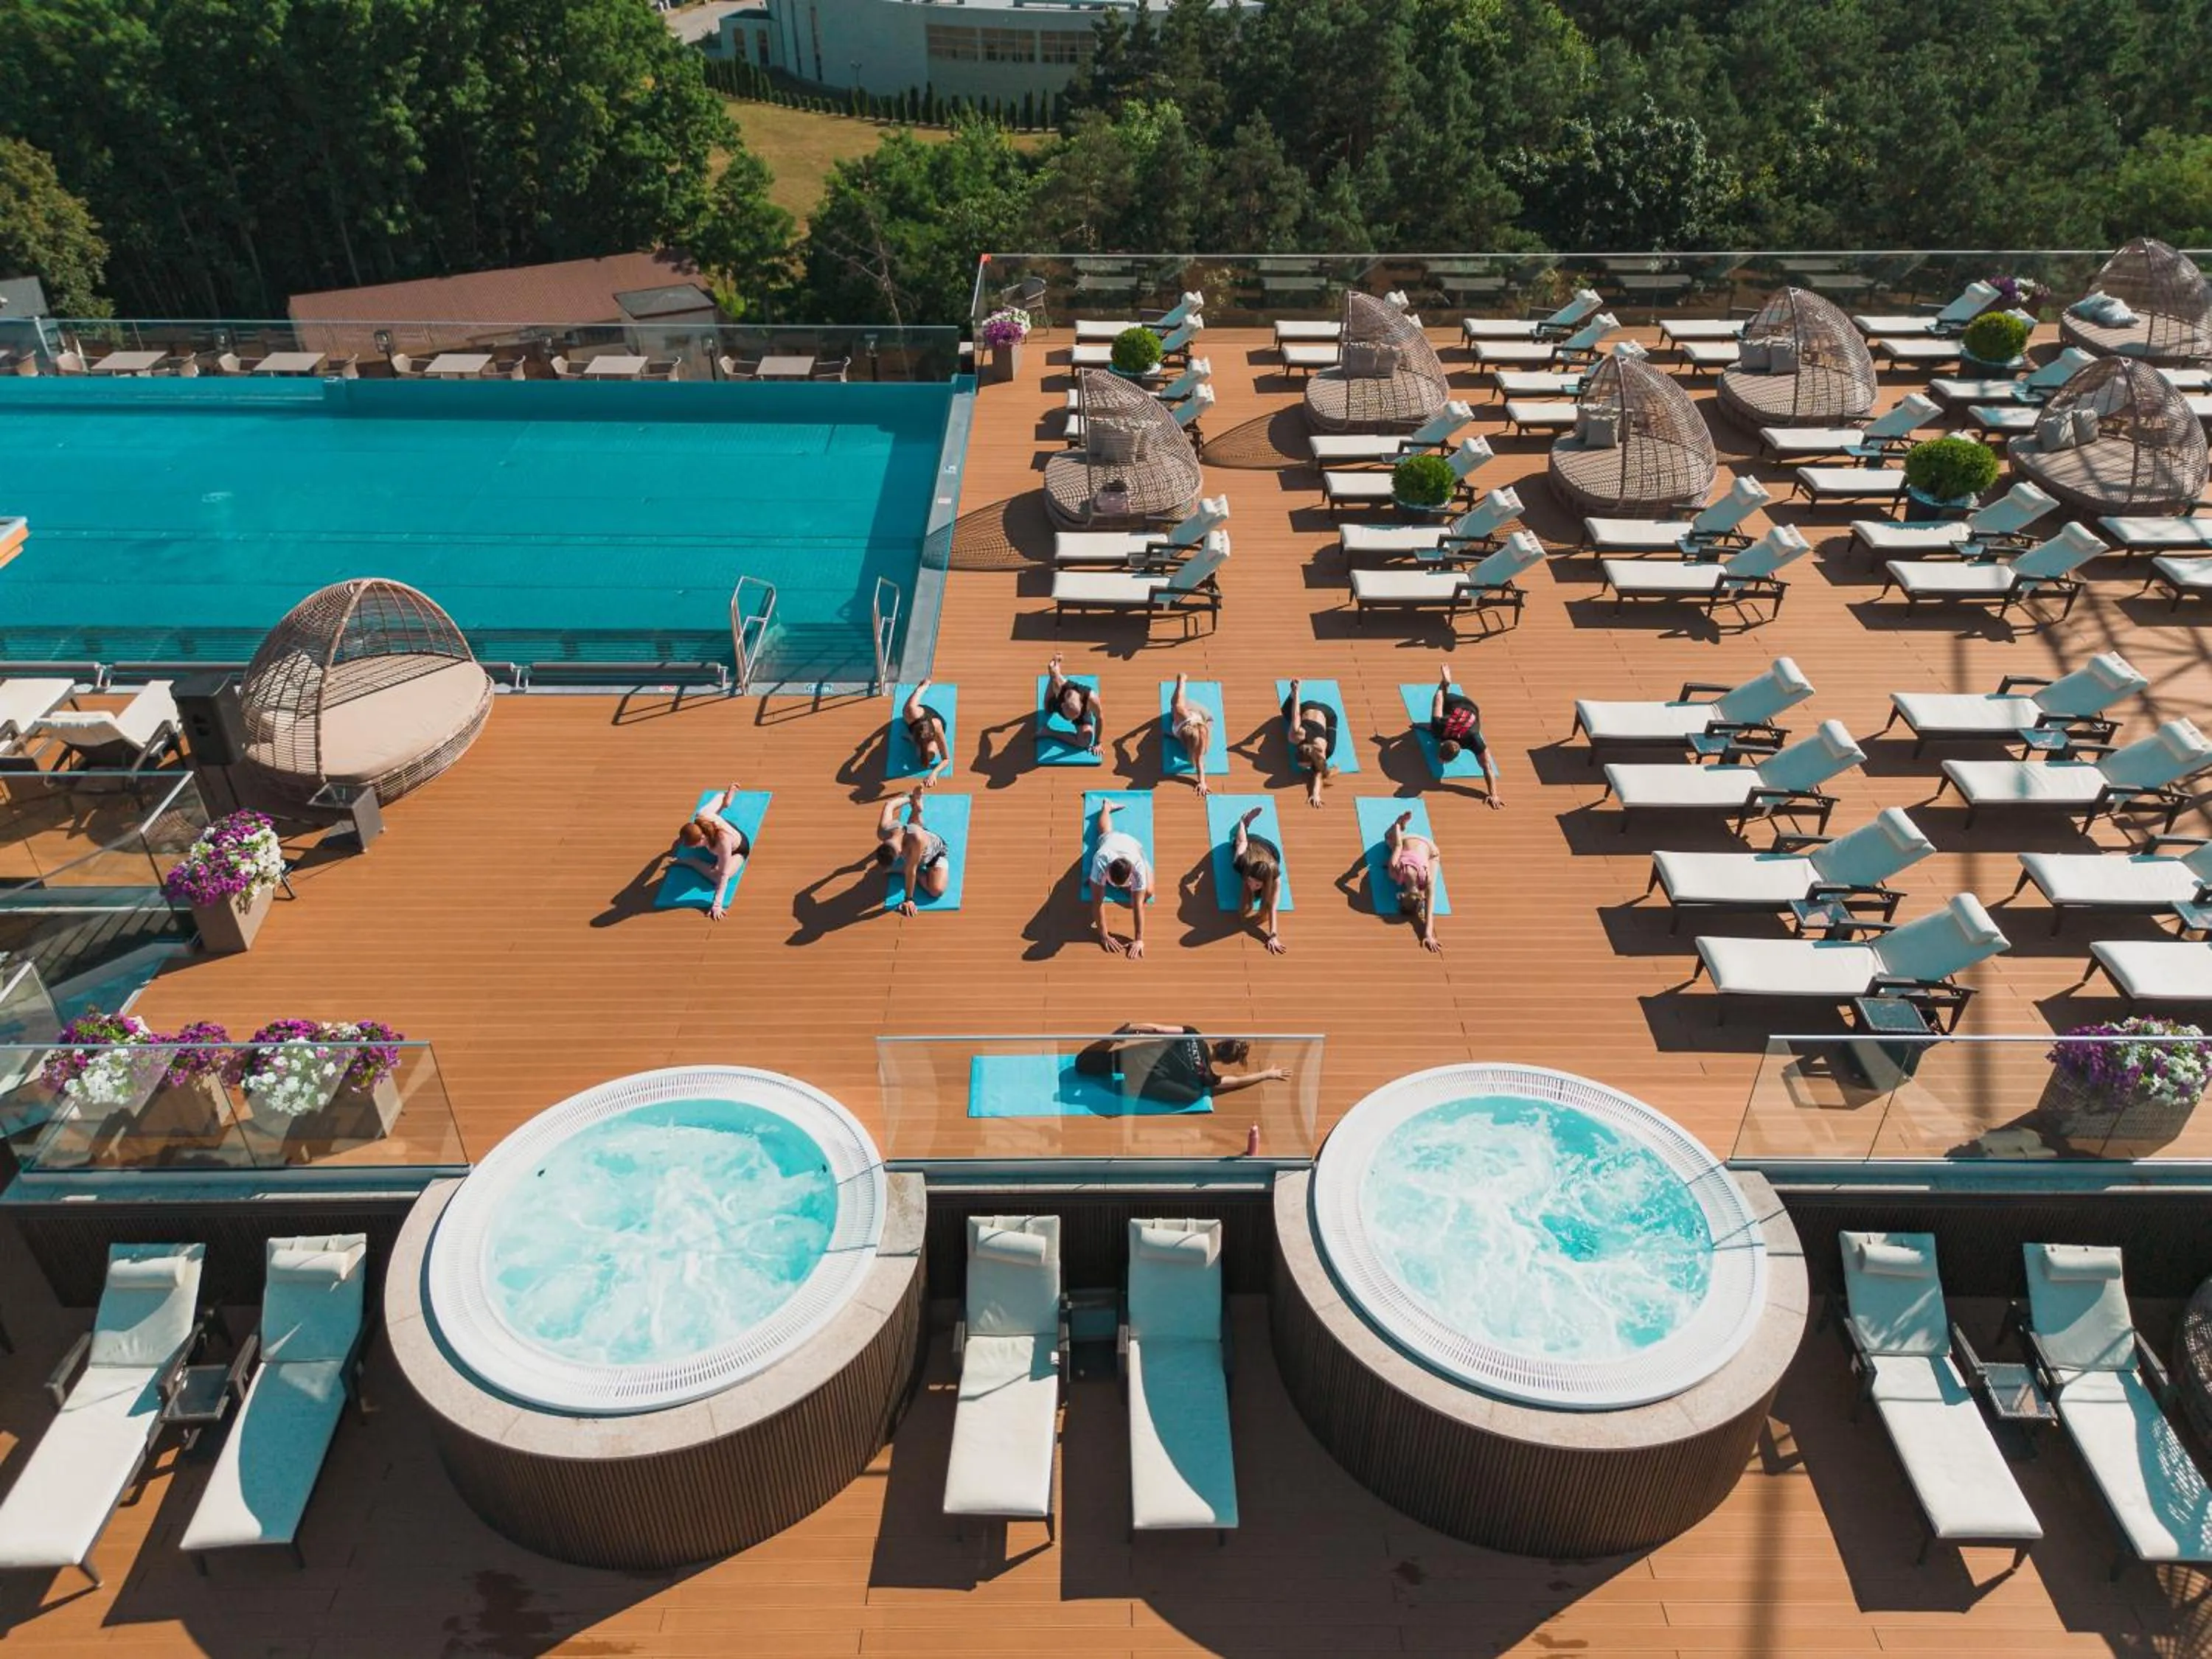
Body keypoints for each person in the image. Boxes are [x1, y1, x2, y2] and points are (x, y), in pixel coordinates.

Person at [1074, 1023, 1287, 1105]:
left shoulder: (1193, 1034)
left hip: (1137, 1057)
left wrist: (1133, 1028)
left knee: (1082, 1064)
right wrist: (1266, 1074)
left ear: (1220, 1043)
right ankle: (1127, 1090)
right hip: (1144, 1081)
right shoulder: (1206, 1077)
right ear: (1226, 1061)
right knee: (1194, 1095)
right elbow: (1237, 1082)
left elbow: (1158, 1030)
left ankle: (1110, 1044)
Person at [1429, 662, 1503, 807]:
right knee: (1437, 714)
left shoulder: (1474, 739)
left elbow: (1488, 765)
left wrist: (1493, 794)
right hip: (1454, 703)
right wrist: (1443, 687)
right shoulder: (1439, 728)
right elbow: (1439, 700)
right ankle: (1446, 686)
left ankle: (1445, 685)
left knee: (1434, 725)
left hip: (1471, 708)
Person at [672, 782, 749, 922]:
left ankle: (692, 863)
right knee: (720, 809)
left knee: (716, 876)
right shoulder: (701, 816)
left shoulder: (722, 842)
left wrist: (717, 905)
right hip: (720, 829)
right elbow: (719, 797)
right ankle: (697, 859)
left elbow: (724, 875)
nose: (691, 848)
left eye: (693, 846)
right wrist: (726, 799)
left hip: (738, 848)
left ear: (701, 840)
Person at [1088, 795, 1154, 958]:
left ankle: (1103, 884)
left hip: (1133, 846)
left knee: (1148, 893)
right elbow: (1097, 904)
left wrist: (1139, 939)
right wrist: (1104, 935)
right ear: (1108, 870)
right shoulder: (1101, 860)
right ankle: (1107, 807)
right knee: (1104, 832)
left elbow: (1138, 906)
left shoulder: (1137, 865)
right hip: (1110, 840)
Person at [874, 787, 949, 916]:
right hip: (912, 830)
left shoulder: (916, 842)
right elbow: (889, 805)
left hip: (934, 853)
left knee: (936, 890)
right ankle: (916, 809)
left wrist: (908, 899)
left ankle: (916, 810)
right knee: (884, 868)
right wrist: (908, 799)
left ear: (899, 853)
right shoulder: (883, 831)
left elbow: (911, 870)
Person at [1385, 809, 1444, 953]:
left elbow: (1429, 913)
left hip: (1430, 846)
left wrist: (1428, 934)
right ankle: (1400, 825)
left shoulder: (1427, 879)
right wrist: (1397, 825)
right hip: (1409, 839)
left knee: (1433, 864)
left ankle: (1401, 826)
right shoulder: (1395, 871)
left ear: (1421, 898)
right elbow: (1399, 845)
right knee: (1388, 838)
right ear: (1400, 895)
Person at [1230, 804, 1286, 954]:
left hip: (1269, 850)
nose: (1252, 886)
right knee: (1236, 840)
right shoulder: (1240, 863)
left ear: (1265, 883)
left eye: (1257, 884)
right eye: (1250, 881)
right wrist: (1242, 823)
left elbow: (1272, 906)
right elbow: (1243, 842)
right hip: (1251, 844)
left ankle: (1244, 824)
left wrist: (1273, 935)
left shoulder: (1274, 876)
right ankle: (1243, 822)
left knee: (1266, 894)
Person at [1282, 677, 1338, 809]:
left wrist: (1315, 794)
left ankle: (1294, 693)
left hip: (1329, 715)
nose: (1306, 769)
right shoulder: (1297, 735)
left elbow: (1318, 773)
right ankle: (1293, 693)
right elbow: (1296, 714)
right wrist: (1296, 692)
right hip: (1311, 708)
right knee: (1286, 713)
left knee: (1289, 719)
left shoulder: (1323, 751)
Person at [1044, 653, 1102, 754]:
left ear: (1081, 705)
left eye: (1074, 717)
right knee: (1047, 709)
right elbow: (1053, 668)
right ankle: (1052, 680)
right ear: (1062, 705)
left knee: (1084, 742)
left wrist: (1097, 742)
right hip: (1060, 697)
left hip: (1079, 710)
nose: (1072, 721)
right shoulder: (1059, 686)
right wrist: (1056, 662)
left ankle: (1050, 732)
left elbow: (1099, 718)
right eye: (1070, 718)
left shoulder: (1091, 699)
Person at [1168, 670, 1211, 795]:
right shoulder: (1182, 715)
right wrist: (1181, 682)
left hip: (1203, 717)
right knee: (1176, 706)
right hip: (1196, 715)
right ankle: (1182, 680)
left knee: (1175, 707)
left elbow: (1199, 761)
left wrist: (1202, 782)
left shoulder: (1201, 741)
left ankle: (1182, 680)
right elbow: (1178, 702)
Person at [902, 678, 952, 783]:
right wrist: (924, 684)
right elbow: (918, 691)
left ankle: (920, 742)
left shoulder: (937, 725)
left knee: (929, 755)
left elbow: (946, 759)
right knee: (921, 756)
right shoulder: (910, 710)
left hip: (933, 722)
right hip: (917, 722)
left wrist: (934, 774)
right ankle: (913, 740)